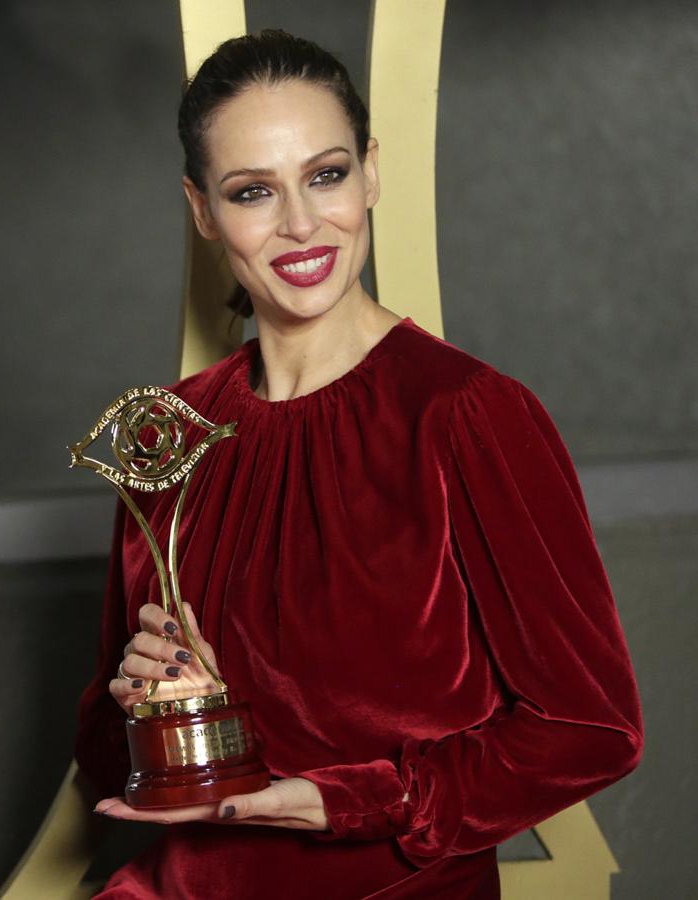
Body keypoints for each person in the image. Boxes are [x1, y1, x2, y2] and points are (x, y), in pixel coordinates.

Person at [72, 30, 643, 899]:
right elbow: (112, 770)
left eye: (326, 174)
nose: (301, 223)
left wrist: (351, 801)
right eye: (253, 191)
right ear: (201, 209)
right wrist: (144, 702)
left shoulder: (467, 416)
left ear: (371, 173)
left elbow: (589, 727)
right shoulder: (169, 433)